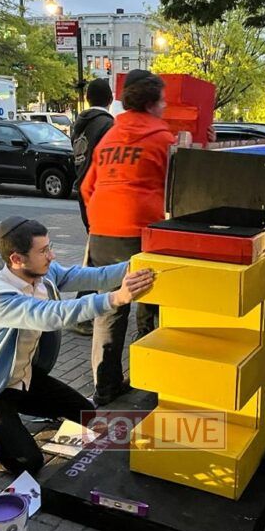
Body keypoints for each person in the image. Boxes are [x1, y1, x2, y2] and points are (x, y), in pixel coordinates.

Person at [0, 215, 154, 475]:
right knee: (28, 463)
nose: (52, 256)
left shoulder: (42, 272)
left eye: (50, 247)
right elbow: (50, 314)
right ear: (17, 259)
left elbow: (93, 275)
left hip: (23, 379)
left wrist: (140, 267)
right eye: (43, 251)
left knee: (89, 415)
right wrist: (115, 298)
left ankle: (11, 413)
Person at [80, 69, 173, 406]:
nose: (165, 106)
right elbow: (180, 189)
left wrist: (99, 221)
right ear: (151, 103)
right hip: (142, 232)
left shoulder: (109, 137)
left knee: (110, 309)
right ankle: (149, 377)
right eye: (162, 100)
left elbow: (87, 187)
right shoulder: (163, 139)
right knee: (152, 304)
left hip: (103, 232)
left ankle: (105, 386)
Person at [71, 78, 116, 336]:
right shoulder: (107, 125)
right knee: (96, 255)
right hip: (99, 194)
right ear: (110, 99)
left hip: (83, 192)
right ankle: (82, 314)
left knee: (95, 251)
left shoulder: (80, 123)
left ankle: (83, 311)